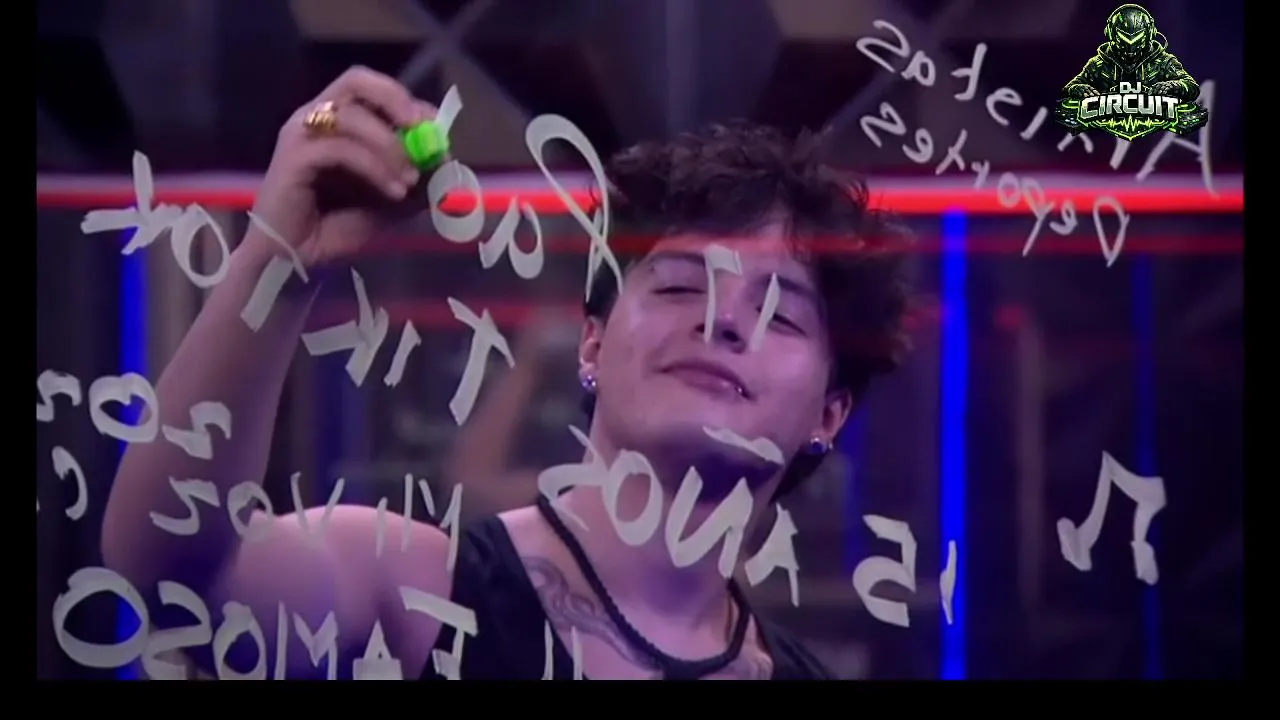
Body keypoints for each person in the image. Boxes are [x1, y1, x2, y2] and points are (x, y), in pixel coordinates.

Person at [102, 66, 913, 680]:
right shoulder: (421, 587)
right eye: (676, 285)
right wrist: (280, 261)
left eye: (779, 313)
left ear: (830, 413)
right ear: (592, 346)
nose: (724, 319)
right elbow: (178, 580)